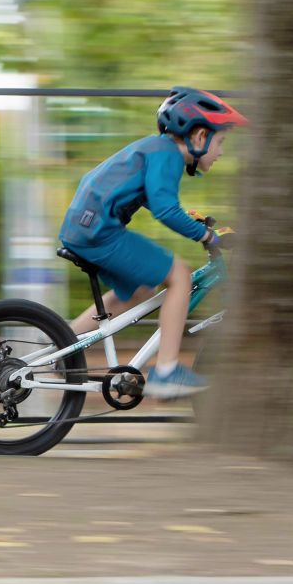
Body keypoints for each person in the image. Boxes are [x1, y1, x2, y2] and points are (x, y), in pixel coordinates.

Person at [58, 86, 246, 399]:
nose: (222, 151)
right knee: (180, 275)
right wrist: (208, 236)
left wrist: (196, 222)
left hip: (84, 227)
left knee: (139, 292)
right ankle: (167, 370)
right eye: (221, 141)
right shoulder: (168, 154)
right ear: (199, 136)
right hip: (99, 230)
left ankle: (63, 344)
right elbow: (164, 210)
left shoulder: (156, 150)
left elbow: (144, 195)